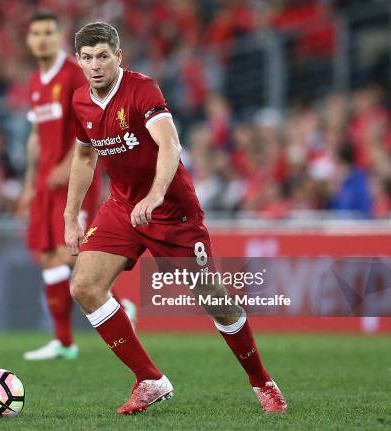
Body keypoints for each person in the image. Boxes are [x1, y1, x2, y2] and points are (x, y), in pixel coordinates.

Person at [64, 22, 287, 414]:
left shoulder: (142, 89)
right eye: (87, 58)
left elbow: (169, 143)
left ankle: (261, 381)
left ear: (118, 56)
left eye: (102, 56)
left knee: (214, 299)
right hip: (122, 207)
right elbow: (84, 157)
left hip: (171, 211)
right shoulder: (80, 101)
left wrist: (156, 193)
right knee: (84, 286)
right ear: (78, 61)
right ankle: (149, 379)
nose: (95, 65)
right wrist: (71, 215)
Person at [19, 12, 136, 360]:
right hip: (44, 183)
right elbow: (36, 138)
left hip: (74, 180)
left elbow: (89, 119)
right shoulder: (35, 83)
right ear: (28, 40)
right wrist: (29, 183)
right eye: (35, 32)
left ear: (59, 37)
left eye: (48, 32)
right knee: (47, 256)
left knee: (65, 252)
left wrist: (66, 162)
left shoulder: (76, 71)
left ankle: (115, 305)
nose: (41, 39)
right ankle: (65, 342)